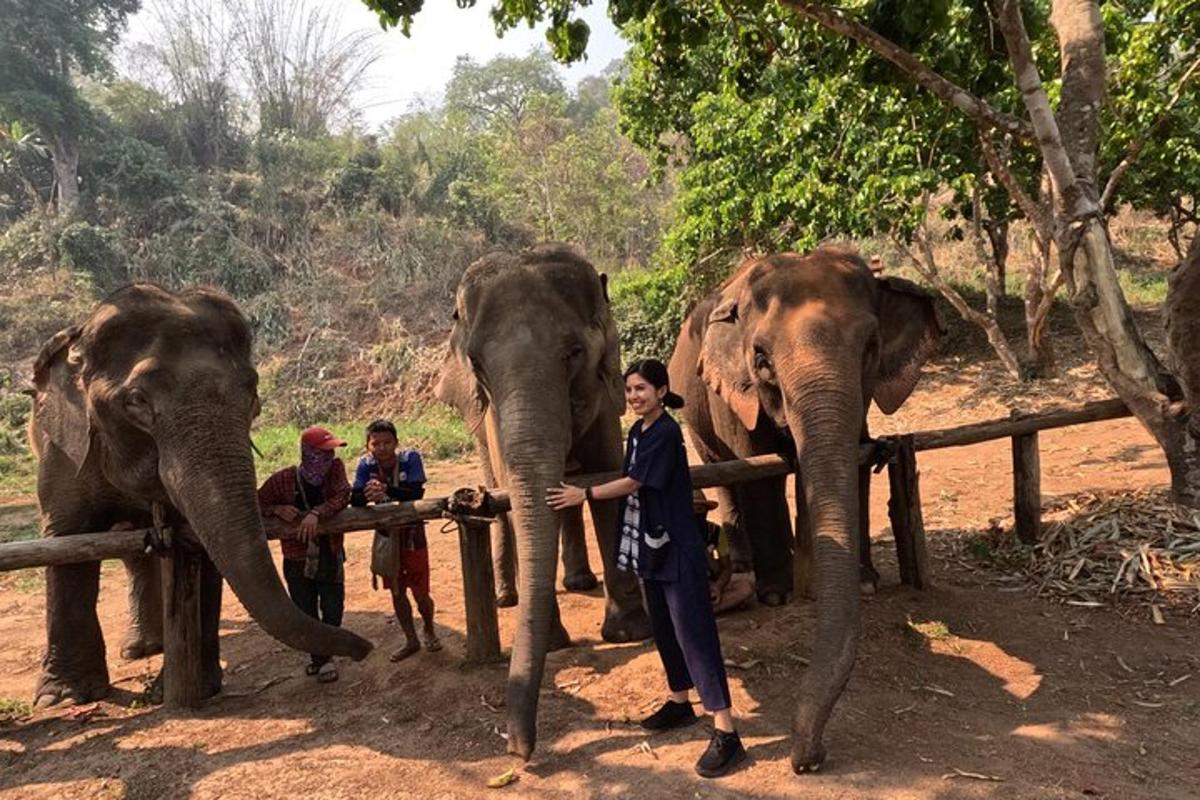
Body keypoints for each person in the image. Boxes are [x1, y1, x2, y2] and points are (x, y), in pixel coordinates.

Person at [547, 359, 745, 778]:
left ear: (660, 391)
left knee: (694, 633)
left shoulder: (667, 432)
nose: (635, 397)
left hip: (677, 549)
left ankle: (726, 731)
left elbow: (635, 481)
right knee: (665, 629)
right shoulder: (637, 431)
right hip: (650, 547)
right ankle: (679, 701)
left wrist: (585, 494)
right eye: (630, 390)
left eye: (641, 389)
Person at [257, 425, 352, 683]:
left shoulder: (335, 470)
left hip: (329, 551)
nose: (328, 458)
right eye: (322, 452)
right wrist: (276, 509)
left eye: (330, 452)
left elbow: (344, 494)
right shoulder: (283, 480)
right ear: (307, 453)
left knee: (333, 606)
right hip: (297, 557)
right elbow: (257, 501)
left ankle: (325, 655)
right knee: (304, 608)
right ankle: (321, 659)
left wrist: (316, 513)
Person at [351, 418, 439, 661]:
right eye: (375, 443)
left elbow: (416, 492)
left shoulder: (410, 458)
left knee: (421, 592)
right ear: (368, 445)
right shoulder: (365, 465)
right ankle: (411, 640)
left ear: (396, 443)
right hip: (387, 538)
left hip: (412, 536)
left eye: (387, 442)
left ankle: (429, 629)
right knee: (397, 592)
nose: (382, 448)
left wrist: (386, 491)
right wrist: (367, 493)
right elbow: (355, 499)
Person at [693, 491, 755, 615]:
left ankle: (703, 612)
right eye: (691, 510)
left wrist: (718, 587)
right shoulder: (677, 534)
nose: (695, 514)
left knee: (745, 588)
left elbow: (726, 567)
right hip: (687, 585)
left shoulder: (715, 532)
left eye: (700, 509)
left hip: (711, 581)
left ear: (706, 511)